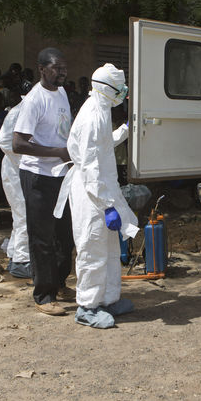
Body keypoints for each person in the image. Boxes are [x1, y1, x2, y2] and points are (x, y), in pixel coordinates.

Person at [62, 63, 137, 329]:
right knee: (92, 248)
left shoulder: (101, 110)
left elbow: (103, 146)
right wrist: (107, 206)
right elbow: (92, 166)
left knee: (110, 249)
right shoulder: (94, 115)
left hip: (102, 190)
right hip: (91, 193)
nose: (124, 92)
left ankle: (108, 299)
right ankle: (87, 306)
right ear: (109, 89)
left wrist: (126, 131)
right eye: (122, 88)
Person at [12, 47, 73, 316]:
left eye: (64, 68)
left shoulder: (61, 93)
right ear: (42, 68)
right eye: (57, 68)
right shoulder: (34, 100)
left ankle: (59, 283)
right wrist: (56, 153)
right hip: (37, 175)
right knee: (42, 237)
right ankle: (44, 296)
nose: (62, 72)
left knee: (65, 235)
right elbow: (18, 143)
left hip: (62, 175)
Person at [0, 99, 30, 278]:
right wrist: (24, 154)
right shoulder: (18, 112)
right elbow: (3, 140)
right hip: (14, 170)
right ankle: (22, 261)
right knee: (24, 215)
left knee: (20, 216)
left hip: (19, 170)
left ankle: (14, 253)